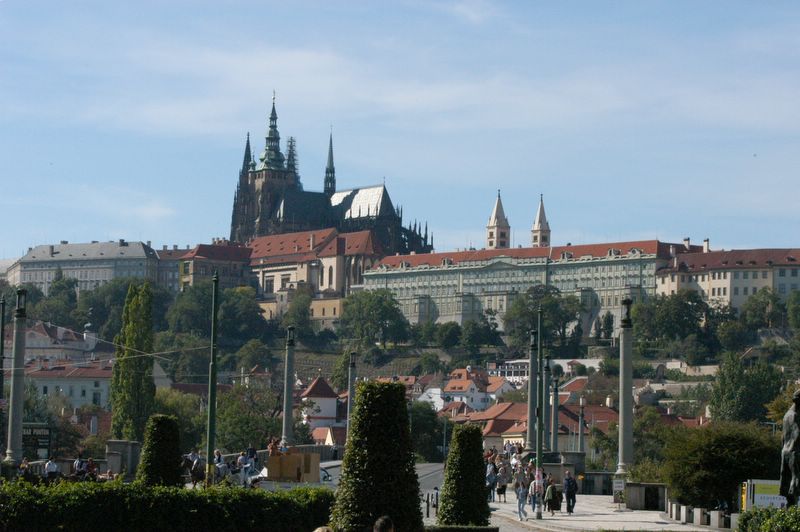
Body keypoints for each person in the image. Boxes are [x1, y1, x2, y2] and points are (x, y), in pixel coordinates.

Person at [781, 389, 800, 506]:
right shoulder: (795, 415)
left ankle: (790, 506)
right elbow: (798, 433)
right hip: (795, 451)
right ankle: (793, 506)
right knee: (796, 478)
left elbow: (782, 437)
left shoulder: (786, 415)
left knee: (787, 479)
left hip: (785, 451)